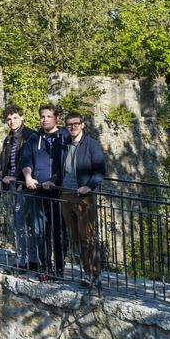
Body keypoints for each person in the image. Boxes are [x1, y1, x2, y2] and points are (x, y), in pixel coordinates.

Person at [0, 104, 36, 269]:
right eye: (9, 119)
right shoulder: (9, 138)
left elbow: (29, 161)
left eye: (15, 118)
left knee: (28, 224)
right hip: (13, 186)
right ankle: (24, 259)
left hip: (25, 185)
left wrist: (15, 176)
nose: (12, 121)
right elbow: (1, 161)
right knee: (18, 223)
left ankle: (29, 260)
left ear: (22, 117)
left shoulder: (30, 135)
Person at [20, 104, 68, 277]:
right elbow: (26, 160)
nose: (44, 119)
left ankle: (59, 269)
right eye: (42, 116)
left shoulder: (64, 137)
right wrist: (27, 176)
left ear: (56, 118)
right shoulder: (34, 138)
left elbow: (66, 164)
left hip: (58, 192)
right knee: (41, 232)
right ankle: (45, 268)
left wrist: (53, 181)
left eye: (48, 116)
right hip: (38, 192)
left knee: (59, 232)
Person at [60, 111, 106, 286]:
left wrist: (89, 186)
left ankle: (94, 275)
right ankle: (86, 272)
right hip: (65, 194)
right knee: (75, 238)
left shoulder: (91, 145)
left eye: (76, 124)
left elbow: (100, 170)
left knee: (88, 236)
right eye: (69, 124)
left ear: (82, 125)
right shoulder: (65, 144)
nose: (73, 127)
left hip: (83, 196)